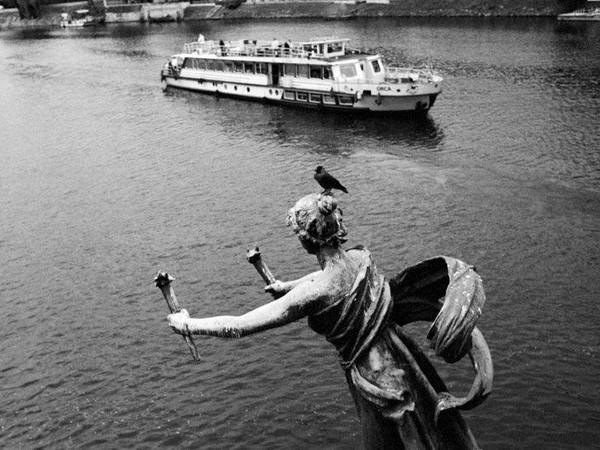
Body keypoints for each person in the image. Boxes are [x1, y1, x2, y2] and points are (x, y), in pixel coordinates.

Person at [168, 193, 492, 449]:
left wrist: (188, 323)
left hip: (376, 380)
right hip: (403, 356)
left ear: (305, 239)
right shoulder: (361, 258)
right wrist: (286, 286)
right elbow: (331, 278)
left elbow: (238, 325)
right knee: (432, 433)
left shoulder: (316, 292)